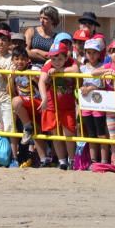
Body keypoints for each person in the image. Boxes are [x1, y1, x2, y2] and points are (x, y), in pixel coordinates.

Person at [38, 41, 76, 169]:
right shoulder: (48, 65)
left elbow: (75, 70)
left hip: (68, 105)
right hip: (52, 104)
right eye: (54, 58)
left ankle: (72, 159)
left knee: (69, 133)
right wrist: (43, 98)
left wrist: (59, 70)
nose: (57, 61)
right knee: (55, 134)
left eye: (60, 58)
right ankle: (62, 161)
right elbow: (41, 81)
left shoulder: (71, 62)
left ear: (66, 57)